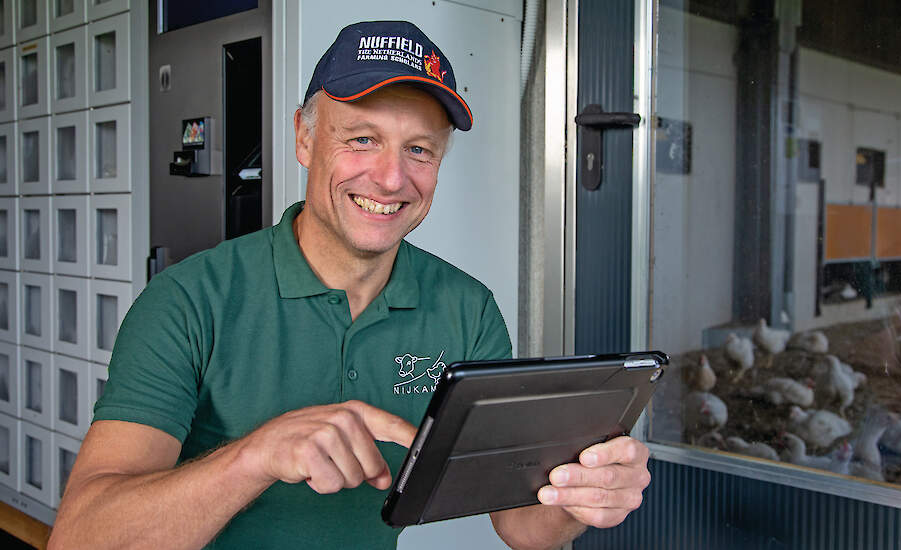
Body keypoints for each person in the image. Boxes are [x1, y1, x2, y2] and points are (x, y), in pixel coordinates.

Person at [49, 21, 651, 549]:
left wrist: (578, 498)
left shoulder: (468, 310)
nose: (390, 178)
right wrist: (255, 456)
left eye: (418, 149)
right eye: (361, 138)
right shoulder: (187, 301)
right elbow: (81, 538)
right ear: (305, 139)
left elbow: (519, 526)